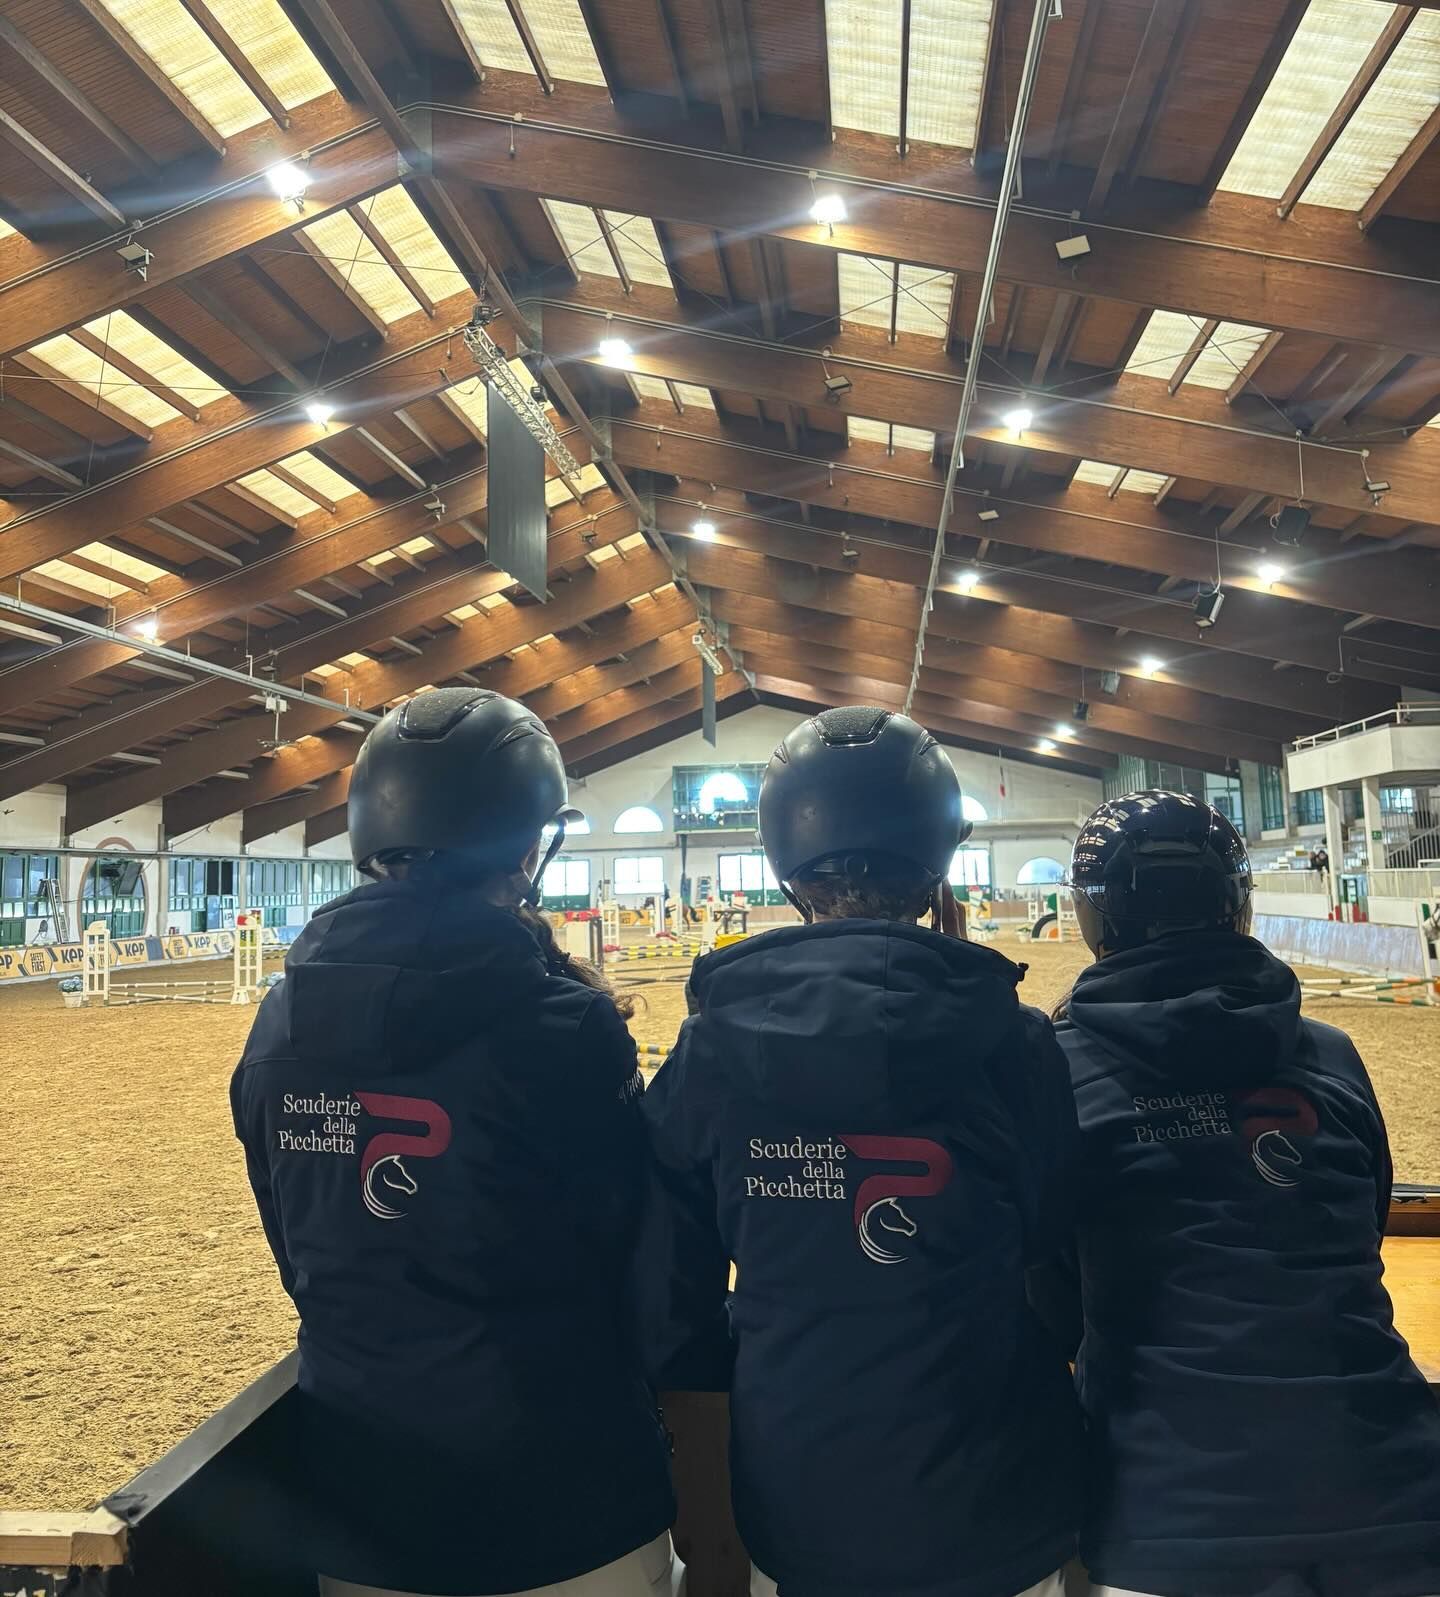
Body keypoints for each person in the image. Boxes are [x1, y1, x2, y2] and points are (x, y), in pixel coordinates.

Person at [231, 688, 678, 1597]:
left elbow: (292, 1243)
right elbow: (631, 1250)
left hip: (365, 1502)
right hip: (564, 1494)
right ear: (528, 847)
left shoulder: (279, 1023)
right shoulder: (566, 1028)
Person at [639, 705, 1083, 1597]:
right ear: (934, 863)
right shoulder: (1015, 1043)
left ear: (786, 865)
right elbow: (1050, 1240)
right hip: (993, 1489)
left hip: (800, 1492)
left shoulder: (712, 1049)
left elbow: (670, 1283)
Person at [1053, 790, 1440, 1597]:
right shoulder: (1328, 1053)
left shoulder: (1060, 1067)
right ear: (1237, 904)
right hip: (1393, 1483)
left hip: (1175, 1507)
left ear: (1095, 918)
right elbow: (1361, 1223)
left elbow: (1051, 1287)